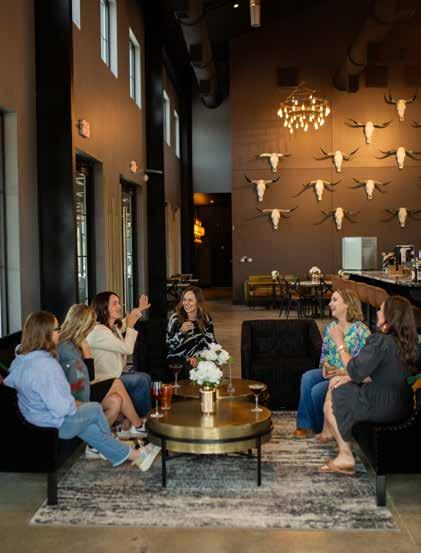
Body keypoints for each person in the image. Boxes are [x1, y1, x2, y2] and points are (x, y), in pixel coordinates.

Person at [4, 311, 160, 472]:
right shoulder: (47, 366)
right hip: (53, 423)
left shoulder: (21, 361)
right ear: (46, 334)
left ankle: (130, 453)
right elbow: (63, 408)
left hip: (34, 417)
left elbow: (9, 382)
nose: (59, 332)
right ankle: (120, 448)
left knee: (88, 425)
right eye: (56, 329)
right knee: (95, 409)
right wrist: (77, 403)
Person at [320, 295, 418, 475]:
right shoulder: (408, 343)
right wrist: (350, 378)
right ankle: (334, 437)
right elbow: (386, 374)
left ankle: (345, 454)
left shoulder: (380, 341)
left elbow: (354, 370)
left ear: (389, 317)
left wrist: (340, 343)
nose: (377, 312)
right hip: (403, 405)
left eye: (380, 309)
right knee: (341, 384)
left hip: (381, 405)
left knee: (336, 390)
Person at [57, 304, 146, 446]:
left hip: (83, 388)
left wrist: (137, 312)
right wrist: (87, 351)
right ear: (81, 324)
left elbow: (86, 378)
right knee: (117, 383)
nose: (93, 327)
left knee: (116, 401)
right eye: (91, 323)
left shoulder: (76, 341)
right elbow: (85, 380)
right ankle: (139, 425)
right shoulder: (67, 348)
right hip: (76, 396)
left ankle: (94, 444)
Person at [293, 289, 370, 439]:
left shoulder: (361, 331)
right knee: (307, 377)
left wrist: (342, 372)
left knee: (317, 391)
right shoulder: (330, 328)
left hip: (348, 377)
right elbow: (325, 355)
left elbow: (363, 366)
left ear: (347, 304)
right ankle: (304, 425)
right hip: (332, 372)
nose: (329, 304)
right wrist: (325, 367)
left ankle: (322, 428)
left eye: (334, 300)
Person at [87, 291, 152, 426]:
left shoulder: (111, 327)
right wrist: (131, 326)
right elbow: (127, 349)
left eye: (118, 303)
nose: (119, 306)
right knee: (141, 380)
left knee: (145, 378)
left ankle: (136, 420)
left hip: (115, 375)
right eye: (115, 303)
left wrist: (139, 309)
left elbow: (125, 322)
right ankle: (142, 421)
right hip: (104, 380)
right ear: (104, 308)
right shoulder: (98, 331)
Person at [166, 286, 216, 372]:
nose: (186, 303)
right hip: (178, 357)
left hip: (199, 357)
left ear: (198, 302)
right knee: (192, 368)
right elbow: (170, 346)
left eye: (190, 300)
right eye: (184, 299)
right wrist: (181, 332)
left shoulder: (205, 318)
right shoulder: (175, 319)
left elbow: (211, 342)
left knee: (214, 369)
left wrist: (199, 357)